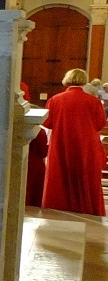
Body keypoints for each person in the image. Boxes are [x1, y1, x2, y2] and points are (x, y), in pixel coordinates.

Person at [41, 68, 107, 216]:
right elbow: (100, 124)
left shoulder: (55, 99)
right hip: (86, 144)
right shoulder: (94, 101)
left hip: (61, 141)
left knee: (60, 172)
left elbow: (47, 122)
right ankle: (86, 207)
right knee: (85, 174)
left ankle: (58, 205)